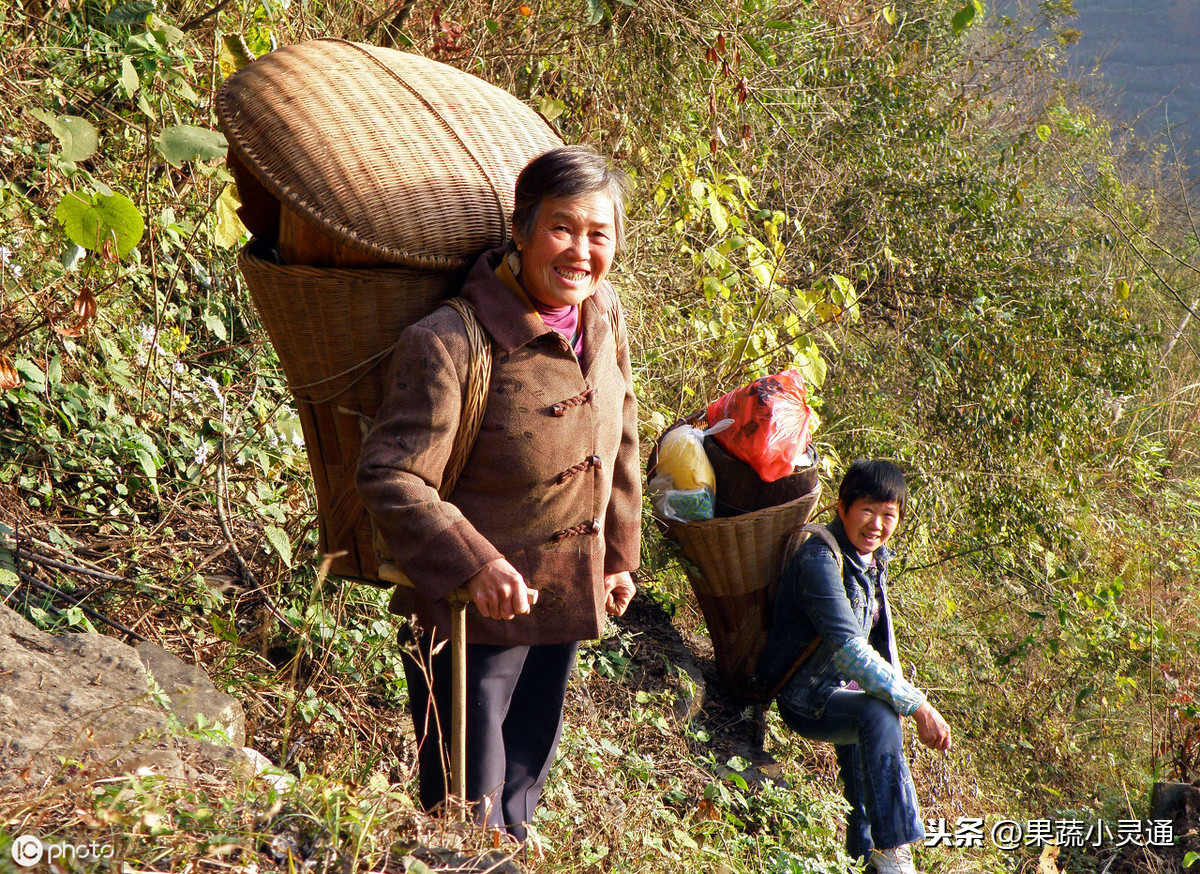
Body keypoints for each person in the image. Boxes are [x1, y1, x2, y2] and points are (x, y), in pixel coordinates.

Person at [355, 145, 640, 841]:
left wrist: (618, 553)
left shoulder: (601, 316)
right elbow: (390, 475)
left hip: (564, 598)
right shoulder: (450, 341)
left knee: (518, 797)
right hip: (465, 619)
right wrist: (475, 564)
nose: (581, 251)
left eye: (598, 234)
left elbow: (623, 428)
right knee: (463, 808)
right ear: (519, 230)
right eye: (562, 229)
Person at [752, 459, 952, 874]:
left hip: (841, 689)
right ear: (842, 507)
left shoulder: (869, 559)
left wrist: (895, 691)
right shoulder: (821, 560)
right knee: (878, 713)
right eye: (867, 510)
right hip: (805, 697)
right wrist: (918, 707)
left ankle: (864, 854)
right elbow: (848, 649)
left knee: (875, 710)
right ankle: (894, 849)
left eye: (889, 515)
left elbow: (879, 643)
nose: (877, 524)